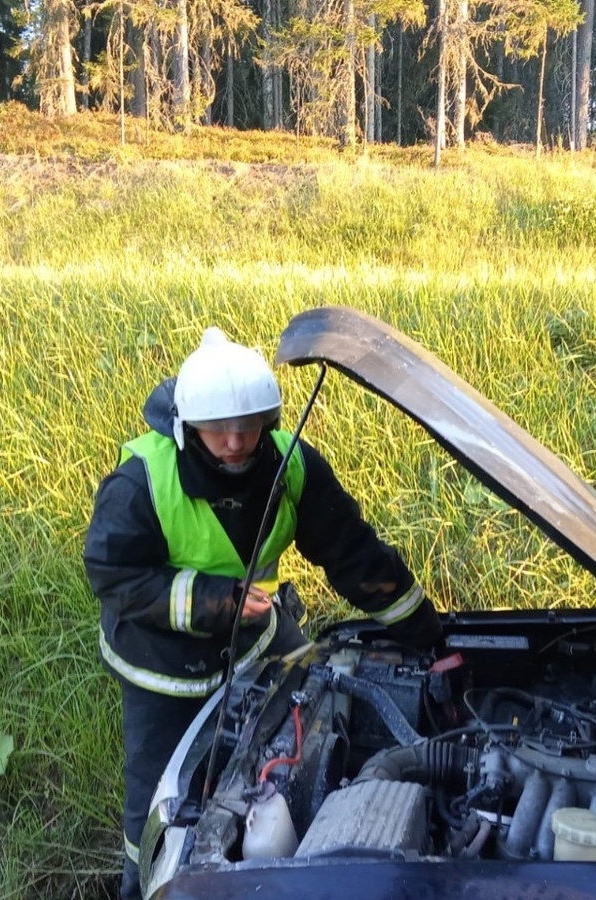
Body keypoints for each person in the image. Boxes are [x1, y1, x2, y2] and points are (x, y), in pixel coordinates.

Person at [83, 326, 443, 900]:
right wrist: (211, 601)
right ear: (186, 426)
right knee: (158, 802)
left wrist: (426, 633)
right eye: (218, 429)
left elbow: (354, 552)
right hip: (161, 667)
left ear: (270, 420)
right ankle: (139, 887)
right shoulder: (142, 480)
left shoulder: (291, 466)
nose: (234, 442)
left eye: (248, 427)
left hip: (254, 638)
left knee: (320, 705)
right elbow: (114, 575)